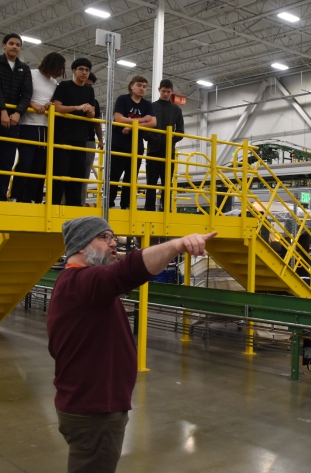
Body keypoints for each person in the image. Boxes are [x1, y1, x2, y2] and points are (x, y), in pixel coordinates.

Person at [48, 216, 216, 473]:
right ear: (81, 245)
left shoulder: (71, 282)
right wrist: (177, 245)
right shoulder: (85, 283)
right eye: (104, 237)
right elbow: (129, 270)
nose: (113, 243)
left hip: (84, 404)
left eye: (112, 237)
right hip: (96, 411)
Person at [0, 33, 32, 201]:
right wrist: (2, 111)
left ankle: (1, 194)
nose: (14, 47)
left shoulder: (24, 68)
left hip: (14, 121)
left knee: (7, 159)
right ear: (4, 45)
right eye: (11, 43)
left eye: (18, 45)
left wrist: (17, 113)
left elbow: (27, 93)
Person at [12, 51, 64, 203]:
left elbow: (54, 100)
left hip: (46, 126)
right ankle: (16, 195)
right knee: (25, 162)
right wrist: (33, 104)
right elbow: (20, 94)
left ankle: (31, 198)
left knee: (39, 166)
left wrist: (51, 104)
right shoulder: (31, 74)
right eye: (59, 68)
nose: (61, 72)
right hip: (28, 124)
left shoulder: (54, 83)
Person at [49, 58, 95, 206]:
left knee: (77, 175)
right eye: (81, 69)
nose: (84, 72)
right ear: (74, 71)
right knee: (60, 173)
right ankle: (54, 205)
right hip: (62, 136)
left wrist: (89, 111)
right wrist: (77, 107)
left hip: (81, 138)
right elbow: (56, 107)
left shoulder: (89, 90)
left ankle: (74, 207)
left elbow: (92, 115)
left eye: (87, 70)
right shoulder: (64, 86)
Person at [108, 76, 155, 209]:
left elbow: (153, 122)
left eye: (144, 86)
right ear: (131, 86)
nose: (142, 89)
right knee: (115, 175)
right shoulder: (123, 99)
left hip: (136, 145)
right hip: (119, 143)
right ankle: (109, 203)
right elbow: (118, 118)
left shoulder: (147, 104)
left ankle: (126, 205)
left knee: (131, 177)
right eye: (139, 85)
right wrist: (142, 120)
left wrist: (132, 126)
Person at [144, 79, 183, 211]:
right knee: (151, 183)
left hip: (169, 152)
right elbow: (144, 129)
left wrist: (170, 140)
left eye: (168, 92)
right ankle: (149, 211)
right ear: (159, 90)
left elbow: (180, 132)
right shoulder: (151, 107)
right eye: (163, 91)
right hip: (153, 151)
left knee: (167, 183)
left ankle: (166, 210)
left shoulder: (176, 109)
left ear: (172, 92)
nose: (166, 94)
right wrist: (154, 139)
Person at [80, 72, 104, 205]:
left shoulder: (94, 102)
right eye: (86, 84)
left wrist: (100, 139)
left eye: (90, 85)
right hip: (71, 139)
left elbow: (97, 122)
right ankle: (63, 203)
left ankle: (80, 203)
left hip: (89, 140)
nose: (88, 87)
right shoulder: (72, 97)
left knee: (85, 175)